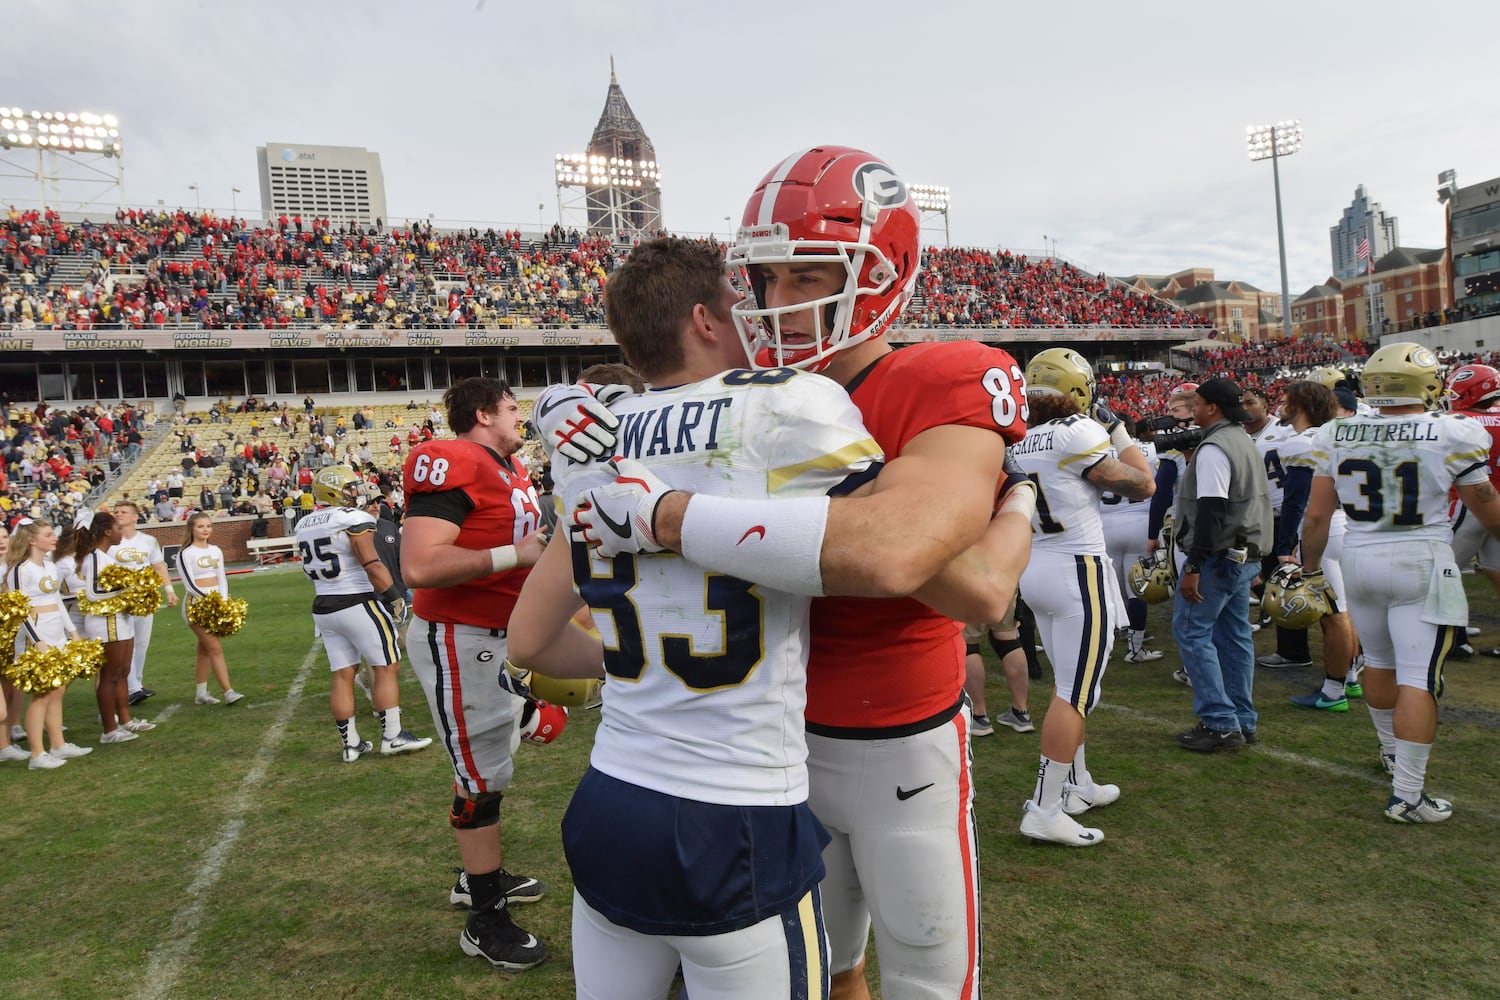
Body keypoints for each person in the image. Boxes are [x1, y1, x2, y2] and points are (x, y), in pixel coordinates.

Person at [557, 148, 1033, 1000]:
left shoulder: (941, 372)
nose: (780, 303)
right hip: (772, 751)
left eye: (808, 274)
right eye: (767, 279)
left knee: (927, 979)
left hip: (899, 735)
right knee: (829, 967)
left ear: (883, 272)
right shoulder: (753, 401)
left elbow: (956, 580)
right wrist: (1016, 512)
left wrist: (672, 519)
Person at [511, 236, 884, 999]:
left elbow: (530, 641)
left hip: (611, 795)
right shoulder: (782, 403)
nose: (760, 317)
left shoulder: (593, 445)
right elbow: (898, 546)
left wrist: (627, 661)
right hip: (735, 810)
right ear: (706, 320)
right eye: (738, 303)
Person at [1301, 343, 1500, 822]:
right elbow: (1485, 504)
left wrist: (1309, 570)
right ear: (1429, 384)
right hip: (1420, 558)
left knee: (1380, 663)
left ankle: (1392, 752)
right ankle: (1408, 795)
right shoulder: (1451, 430)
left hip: (1360, 557)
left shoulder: (1337, 432)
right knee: (1418, 677)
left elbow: (1315, 516)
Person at [400, 379, 556, 973]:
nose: (522, 419)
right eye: (514, 408)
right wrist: (514, 556)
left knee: (499, 757)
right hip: (462, 639)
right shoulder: (453, 458)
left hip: (502, 638)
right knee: (481, 778)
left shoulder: (508, 470)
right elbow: (419, 564)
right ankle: (483, 917)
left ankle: (477, 878)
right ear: (485, 413)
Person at [1011, 349, 1155, 845]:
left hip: (1036, 567)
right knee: (1077, 692)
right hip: (1078, 568)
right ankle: (1046, 808)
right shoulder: (1078, 432)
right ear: (1079, 391)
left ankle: (1076, 785)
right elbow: (1144, 484)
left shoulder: (1018, 438)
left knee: (1066, 683)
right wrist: (1117, 430)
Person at [295, 466, 430, 761]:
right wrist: (395, 598)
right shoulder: (353, 518)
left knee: (343, 675)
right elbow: (372, 565)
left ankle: (351, 744)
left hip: (323, 606)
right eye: (350, 488)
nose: (356, 492)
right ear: (334, 491)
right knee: (386, 666)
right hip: (357, 601)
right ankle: (392, 736)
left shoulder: (305, 524)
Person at [1171, 378, 1273, 752]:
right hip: (1244, 552)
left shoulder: (1215, 446)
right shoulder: (1242, 438)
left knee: (1192, 632)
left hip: (1219, 555)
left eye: (1196, 403)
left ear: (1212, 407)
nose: (1193, 410)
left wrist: (1195, 563)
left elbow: (1213, 510)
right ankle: (1242, 719)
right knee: (1234, 637)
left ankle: (1219, 721)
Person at [1271, 382, 1360, 711]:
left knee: (1333, 615)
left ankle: (1335, 691)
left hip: (1323, 529)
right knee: (1343, 610)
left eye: (1287, 398)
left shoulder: (1301, 442)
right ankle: (1350, 678)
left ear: (1303, 404)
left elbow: (1296, 501)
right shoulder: (1338, 434)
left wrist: (1285, 545)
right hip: (1347, 525)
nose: (1281, 402)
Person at [7, 522, 93, 768]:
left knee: (58, 691)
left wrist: (73, 631)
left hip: (57, 631)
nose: (54, 538)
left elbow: (55, 599)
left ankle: (58, 744)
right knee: (41, 695)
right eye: (47, 535)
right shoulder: (20, 570)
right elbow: (19, 610)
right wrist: (37, 640)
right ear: (32, 540)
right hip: (37, 634)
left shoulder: (49, 566)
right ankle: (37, 755)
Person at [1246, 386, 1312, 670]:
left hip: (1286, 514)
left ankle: (1294, 649)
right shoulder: (1238, 434)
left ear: (1264, 403)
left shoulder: (1286, 432)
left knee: (1286, 580)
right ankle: (1289, 645)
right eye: (1242, 403)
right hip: (1257, 516)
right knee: (1263, 577)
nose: (1246, 407)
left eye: (1251, 401)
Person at [79, 508, 152, 744]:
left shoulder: (107, 557)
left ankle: (126, 720)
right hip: (105, 621)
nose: (121, 532)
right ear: (108, 531)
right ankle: (109, 730)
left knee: (123, 673)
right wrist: (130, 589)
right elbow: (92, 593)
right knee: (110, 675)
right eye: (118, 528)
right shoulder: (93, 558)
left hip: (120, 618)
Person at [111, 499, 177, 706]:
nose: (118, 514)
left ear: (134, 517)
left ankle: (136, 684)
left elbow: (159, 566)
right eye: (116, 511)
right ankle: (130, 687)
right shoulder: (109, 542)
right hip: (119, 600)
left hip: (144, 599)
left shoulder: (148, 540)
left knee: (141, 642)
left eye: (123, 511)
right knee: (125, 643)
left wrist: (169, 590)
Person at [177, 512, 243, 706]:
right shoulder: (185, 553)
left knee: (204, 650)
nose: (205, 530)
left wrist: (223, 602)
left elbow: (222, 577)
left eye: (208, 526)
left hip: (216, 605)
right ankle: (228, 691)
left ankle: (201, 693)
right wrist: (211, 601)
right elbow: (189, 585)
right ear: (191, 529)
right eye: (200, 526)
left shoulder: (215, 550)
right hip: (196, 606)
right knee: (214, 647)